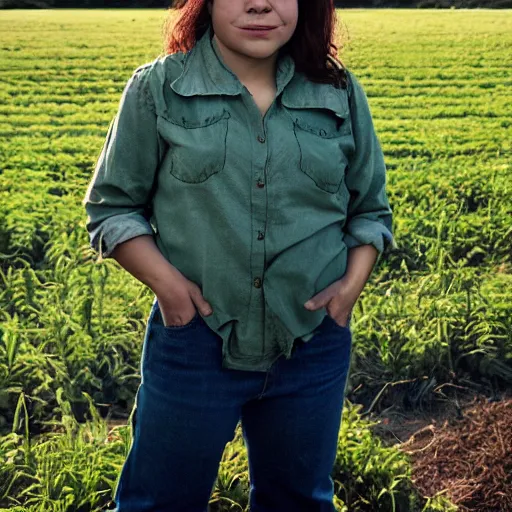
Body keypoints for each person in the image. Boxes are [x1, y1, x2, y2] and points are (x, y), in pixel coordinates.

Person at [83, 0, 396, 510]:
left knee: (298, 500)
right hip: (197, 343)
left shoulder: (338, 92)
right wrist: (171, 291)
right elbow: (112, 208)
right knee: (160, 503)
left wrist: (348, 291)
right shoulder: (158, 88)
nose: (259, 4)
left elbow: (370, 212)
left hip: (310, 342)